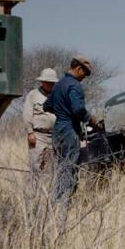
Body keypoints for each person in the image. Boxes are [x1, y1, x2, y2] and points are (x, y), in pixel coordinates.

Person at [43, 55, 98, 207]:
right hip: (69, 130)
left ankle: (54, 204)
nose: (84, 77)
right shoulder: (74, 85)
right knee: (69, 168)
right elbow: (78, 109)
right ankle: (63, 207)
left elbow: (46, 106)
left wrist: (61, 110)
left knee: (61, 168)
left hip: (57, 130)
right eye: (85, 73)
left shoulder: (59, 85)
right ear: (78, 68)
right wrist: (92, 121)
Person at [22, 68, 58, 173]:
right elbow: (27, 114)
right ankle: (34, 188)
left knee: (53, 166)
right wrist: (30, 133)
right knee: (36, 164)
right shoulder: (33, 94)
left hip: (54, 136)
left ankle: (48, 188)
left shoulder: (57, 95)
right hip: (38, 135)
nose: (49, 84)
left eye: (51, 82)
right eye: (47, 82)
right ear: (42, 82)